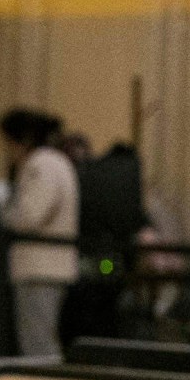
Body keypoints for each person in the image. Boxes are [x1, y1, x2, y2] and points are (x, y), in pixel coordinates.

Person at [0, 107, 79, 357]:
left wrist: (4, 214)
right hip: (51, 266)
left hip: (40, 268)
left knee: (38, 342)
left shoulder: (41, 165)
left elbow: (30, 215)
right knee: (42, 338)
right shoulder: (58, 161)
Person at [64, 138, 150, 346]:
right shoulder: (129, 175)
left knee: (87, 311)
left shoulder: (92, 173)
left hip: (88, 259)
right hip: (111, 261)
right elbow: (135, 220)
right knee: (108, 313)